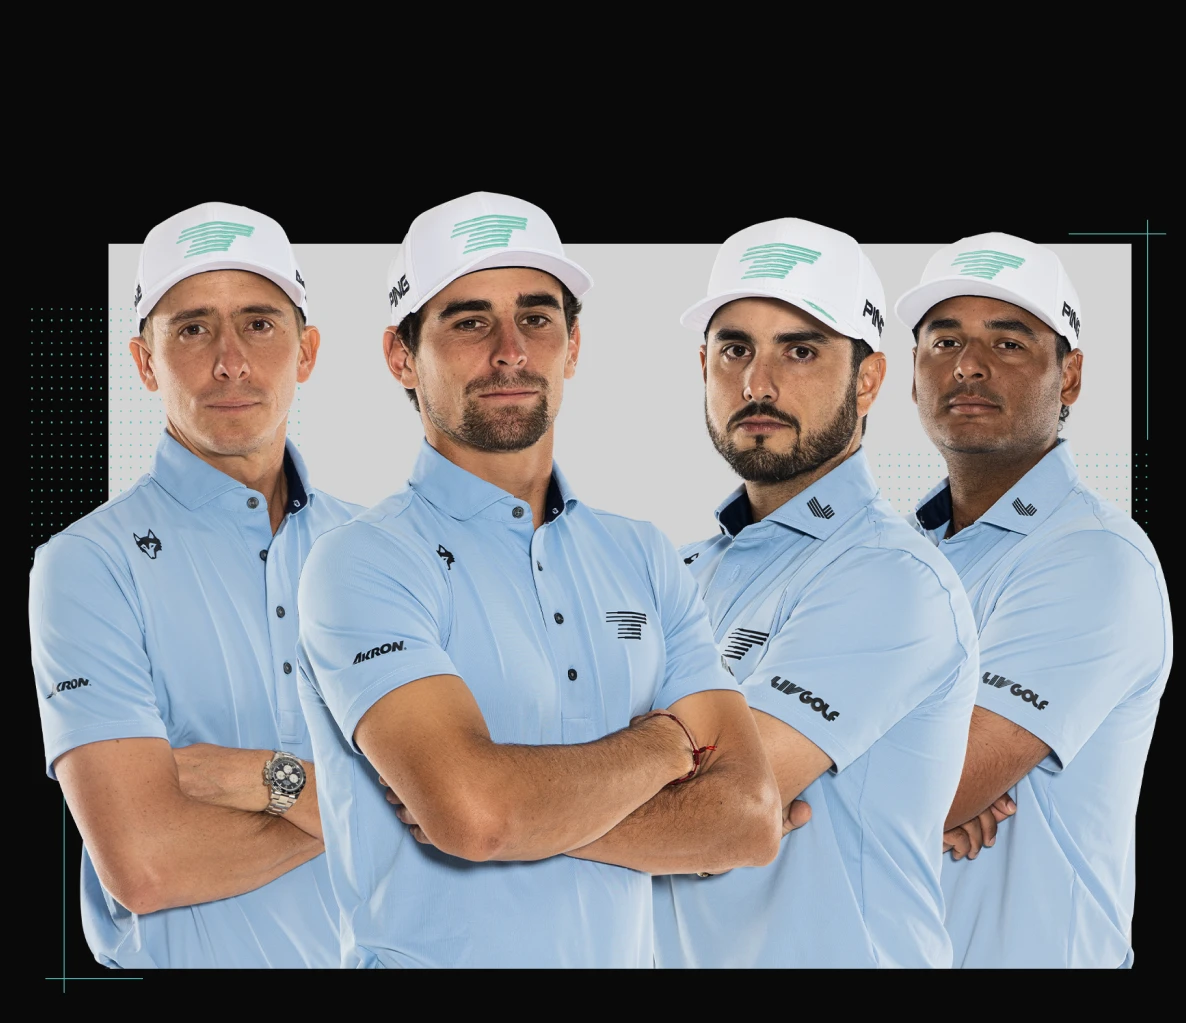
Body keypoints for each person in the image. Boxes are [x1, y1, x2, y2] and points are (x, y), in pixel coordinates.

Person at [295, 192, 779, 968]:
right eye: (468, 321)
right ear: (399, 356)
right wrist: (666, 745)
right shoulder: (363, 561)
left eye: (537, 317)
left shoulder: (644, 555)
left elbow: (750, 818)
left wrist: (531, 815)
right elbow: (477, 815)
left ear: (573, 346)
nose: (511, 350)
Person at [30, 202, 360, 968]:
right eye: (191, 328)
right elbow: (147, 864)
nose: (230, 362)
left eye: (259, 323)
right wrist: (365, 799)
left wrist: (256, 777)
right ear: (144, 362)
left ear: (306, 351)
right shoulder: (87, 564)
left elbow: (465, 813)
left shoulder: (388, 548)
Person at [653, 218, 979, 968]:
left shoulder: (892, 578)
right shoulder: (674, 574)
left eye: (799, 350)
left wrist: (499, 811)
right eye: (736, 349)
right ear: (703, 365)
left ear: (868, 380)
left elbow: (719, 816)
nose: (756, 383)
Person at [898, 232, 1172, 968]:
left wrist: (923, 793)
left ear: (1070, 375)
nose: (969, 365)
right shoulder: (884, 559)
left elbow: (941, 787)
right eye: (944, 339)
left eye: (1009, 342)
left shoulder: (1093, 558)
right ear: (910, 375)